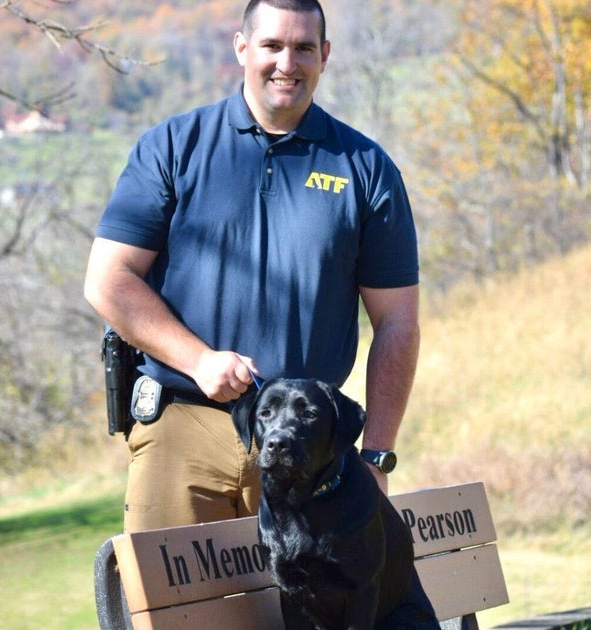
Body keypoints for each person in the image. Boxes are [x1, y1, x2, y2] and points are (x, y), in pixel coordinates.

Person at [83, 0, 420, 533]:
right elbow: (108, 280)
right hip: (183, 425)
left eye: (304, 48)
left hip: (311, 447)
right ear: (242, 48)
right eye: (272, 46)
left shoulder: (366, 169)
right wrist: (198, 360)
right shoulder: (174, 148)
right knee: (175, 615)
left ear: (325, 56)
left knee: (308, 616)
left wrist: (377, 456)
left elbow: (398, 322)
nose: (288, 63)